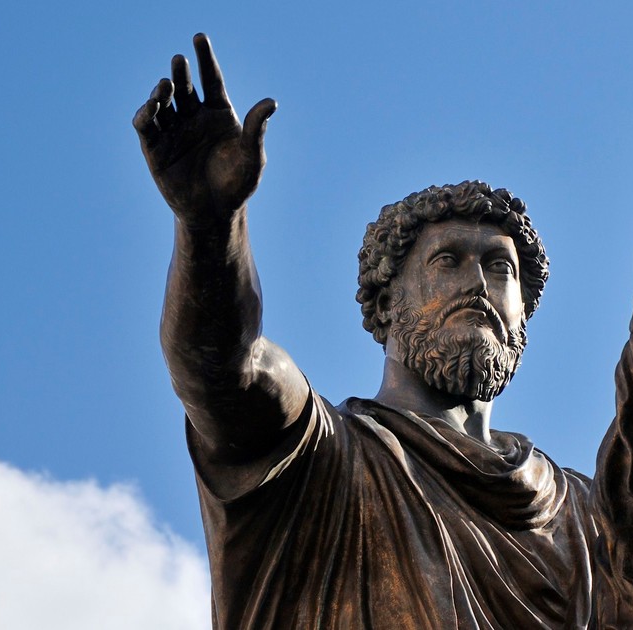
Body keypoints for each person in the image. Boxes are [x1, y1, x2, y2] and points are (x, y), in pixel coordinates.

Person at [132, 34, 594, 629]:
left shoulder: (586, 516)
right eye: (447, 261)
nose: (478, 282)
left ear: (524, 312)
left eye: (500, 267)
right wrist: (210, 226)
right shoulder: (320, 454)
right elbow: (225, 367)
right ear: (385, 302)